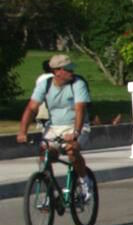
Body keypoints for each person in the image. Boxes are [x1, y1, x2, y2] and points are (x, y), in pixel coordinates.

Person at [16, 53, 93, 196]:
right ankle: (48, 189)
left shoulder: (78, 83)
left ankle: (84, 181)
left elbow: (80, 109)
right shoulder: (44, 85)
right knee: (45, 154)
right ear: (56, 71)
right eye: (68, 69)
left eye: (71, 69)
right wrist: (22, 132)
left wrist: (76, 133)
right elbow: (32, 108)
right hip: (54, 127)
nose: (72, 72)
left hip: (78, 125)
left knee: (72, 150)